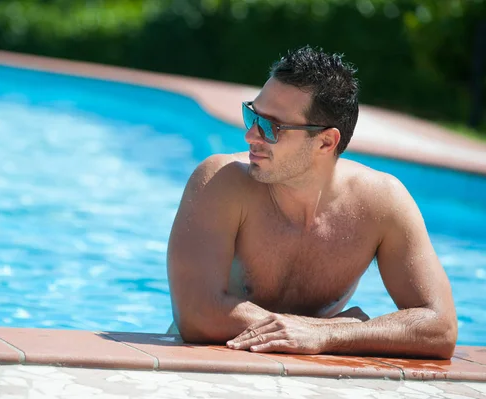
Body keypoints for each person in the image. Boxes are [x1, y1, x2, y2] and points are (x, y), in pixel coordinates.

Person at [165, 46, 457, 359]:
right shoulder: (221, 182)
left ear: (325, 142)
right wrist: (318, 328)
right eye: (252, 115)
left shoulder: (382, 204)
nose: (251, 135)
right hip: (209, 364)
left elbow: (440, 327)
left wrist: (328, 333)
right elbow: (196, 314)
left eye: (272, 127)